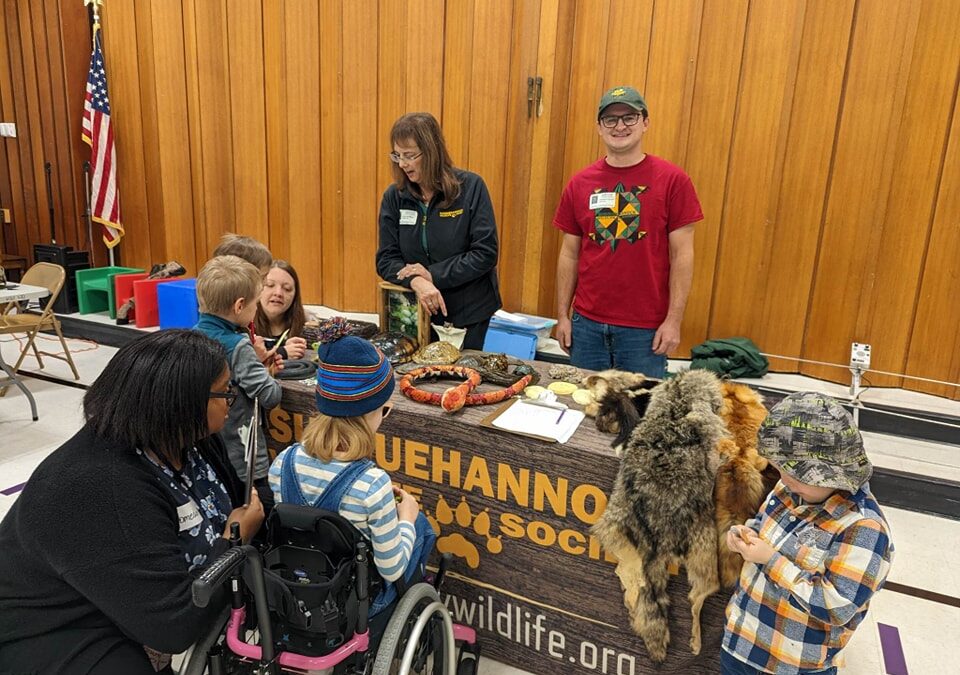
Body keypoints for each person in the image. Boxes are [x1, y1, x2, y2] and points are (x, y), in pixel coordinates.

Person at [0, 330, 264, 674]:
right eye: (225, 391)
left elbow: (239, 499)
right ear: (183, 402)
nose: (232, 399)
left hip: (125, 600)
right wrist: (233, 541)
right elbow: (174, 626)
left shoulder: (188, 439)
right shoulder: (101, 488)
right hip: (49, 626)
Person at [269, 320, 435, 616]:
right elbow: (391, 567)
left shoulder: (284, 461)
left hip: (295, 592)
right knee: (421, 528)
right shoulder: (373, 484)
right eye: (385, 410)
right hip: (355, 604)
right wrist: (406, 518)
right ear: (372, 413)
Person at [722, 392, 894, 675]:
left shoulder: (864, 530)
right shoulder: (787, 490)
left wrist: (770, 560)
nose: (784, 479)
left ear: (835, 475)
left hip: (792, 666)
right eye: (781, 468)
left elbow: (835, 607)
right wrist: (745, 535)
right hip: (741, 642)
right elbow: (764, 525)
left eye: (798, 474)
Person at [553, 86, 702, 378]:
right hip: (587, 327)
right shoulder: (579, 183)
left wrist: (674, 321)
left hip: (644, 331)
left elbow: (683, 255)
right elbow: (569, 255)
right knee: (583, 409)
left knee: (640, 413)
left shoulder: (673, 180)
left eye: (630, 117)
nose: (620, 126)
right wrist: (562, 316)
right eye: (610, 119)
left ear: (645, 122)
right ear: (599, 127)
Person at [376, 112, 501, 350]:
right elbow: (386, 259)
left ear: (432, 152)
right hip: (415, 315)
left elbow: (485, 253)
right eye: (397, 155)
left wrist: (433, 274)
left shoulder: (471, 187)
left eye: (410, 156)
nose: (402, 164)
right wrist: (416, 281)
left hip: (468, 314)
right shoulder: (394, 197)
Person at [194, 255, 282, 511]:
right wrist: (267, 371)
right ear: (240, 305)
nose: (257, 309)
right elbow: (270, 396)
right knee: (258, 508)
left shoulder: (192, 336)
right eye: (255, 303)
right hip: (243, 458)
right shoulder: (239, 346)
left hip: (206, 449)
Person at [254, 259, 309, 361]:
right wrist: (282, 352)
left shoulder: (308, 326)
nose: (278, 293)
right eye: (270, 285)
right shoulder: (243, 324)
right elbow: (241, 361)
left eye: (287, 289)